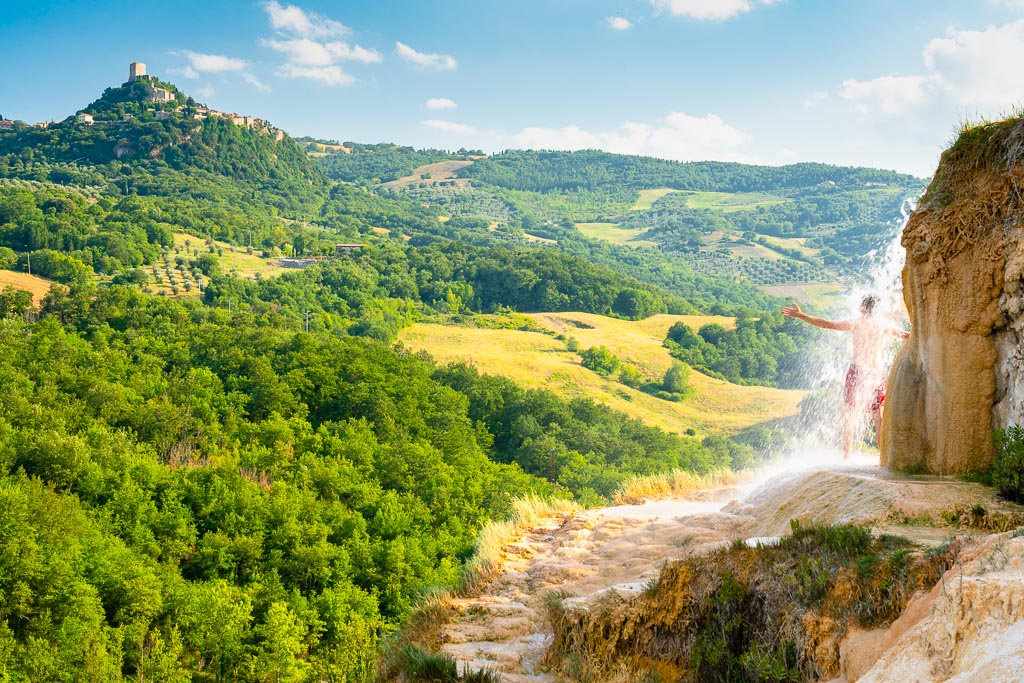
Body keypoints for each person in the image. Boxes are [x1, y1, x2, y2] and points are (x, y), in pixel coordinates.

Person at [782, 295, 910, 459]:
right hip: (876, 374)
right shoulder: (883, 326)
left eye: (862, 302)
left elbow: (827, 324)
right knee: (878, 418)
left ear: (864, 306)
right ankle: (883, 458)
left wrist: (801, 316)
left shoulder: (856, 323)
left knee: (850, 415)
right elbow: (907, 336)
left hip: (858, 371)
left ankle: (846, 456)